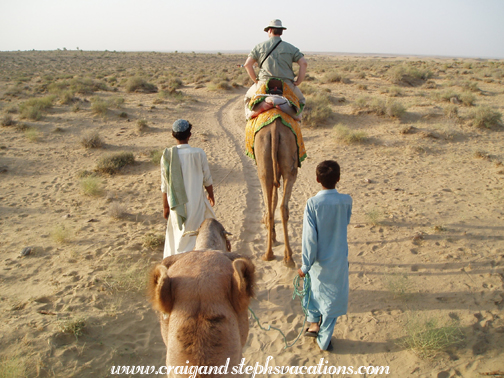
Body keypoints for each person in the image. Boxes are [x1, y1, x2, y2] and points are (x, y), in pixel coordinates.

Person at [297, 160, 353, 351]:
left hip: (318, 262)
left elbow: (309, 239)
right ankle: (323, 334)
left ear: (317, 179)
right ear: (338, 178)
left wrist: (305, 265)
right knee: (332, 299)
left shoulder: (312, 204)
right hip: (338, 260)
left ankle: (315, 327)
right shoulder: (346, 201)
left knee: (310, 289)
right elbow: (345, 222)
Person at [161, 119, 215, 258]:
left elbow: (165, 185)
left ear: (173, 135)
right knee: (197, 234)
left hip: (175, 203)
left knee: (178, 235)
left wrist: (166, 206)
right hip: (196, 202)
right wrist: (211, 195)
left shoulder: (167, 156)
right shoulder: (198, 153)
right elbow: (207, 178)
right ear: (189, 135)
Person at [243, 19, 308, 120]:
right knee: (301, 100)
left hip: (264, 84)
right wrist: (298, 81)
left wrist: (256, 80)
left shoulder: (259, 47)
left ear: (269, 30)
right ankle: (291, 112)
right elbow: (303, 63)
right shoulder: (291, 48)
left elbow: (247, 64)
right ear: (281, 32)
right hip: (286, 85)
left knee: (247, 98)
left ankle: (252, 114)